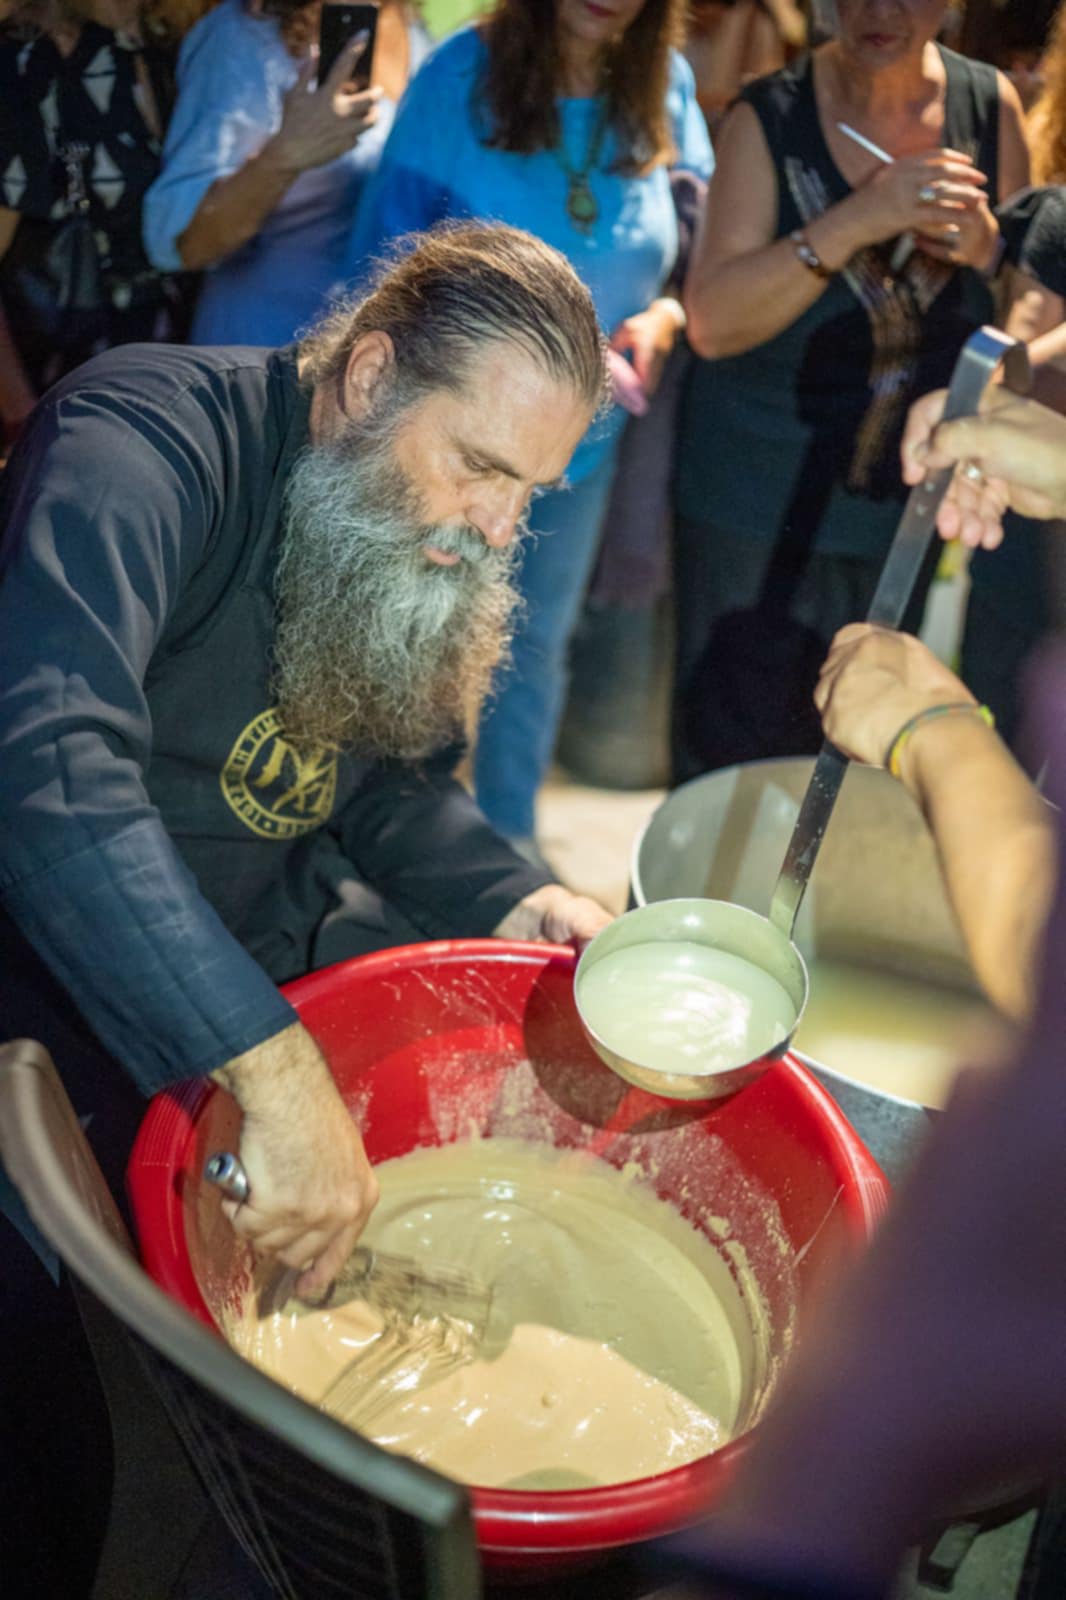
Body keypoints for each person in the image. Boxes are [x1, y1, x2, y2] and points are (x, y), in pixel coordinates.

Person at [0, 221, 613, 1285]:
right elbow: (47, 767)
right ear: (370, 378)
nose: (498, 526)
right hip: (54, 993)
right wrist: (269, 1065)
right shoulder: (141, 442)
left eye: (533, 491)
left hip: (262, 966)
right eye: (479, 466)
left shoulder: (420, 525)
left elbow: (391, 785)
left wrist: (516, 898)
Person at [348, 0, 713, 848]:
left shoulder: (667, 82)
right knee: (408, 642)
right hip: (453, 446)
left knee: (534, 645)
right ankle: (382, 846)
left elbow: (693, 257)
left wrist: (663, 318)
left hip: (584, 447)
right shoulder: (458, 73)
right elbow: (379, 271)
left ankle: (506, 841)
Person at [672, 0, 1031, 783]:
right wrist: (862, 216)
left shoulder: (986, 105)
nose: (880, 10)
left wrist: (986, 247)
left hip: (898, 502)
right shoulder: (771, 113)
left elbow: (1026, 308)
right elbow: (712, 322)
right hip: (754, 498)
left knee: (852, 763)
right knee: (730, 761)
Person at [142, 0, 430, 345]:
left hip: (366, 352)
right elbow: (180, 243)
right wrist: (283, 157)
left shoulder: (413, 30)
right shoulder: (245, 34)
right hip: (257, 351)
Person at [0, 0, 188, 451]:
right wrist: (21, 416)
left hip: (167, 392)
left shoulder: (164, 48)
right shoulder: (22, 64)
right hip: (58, 405)